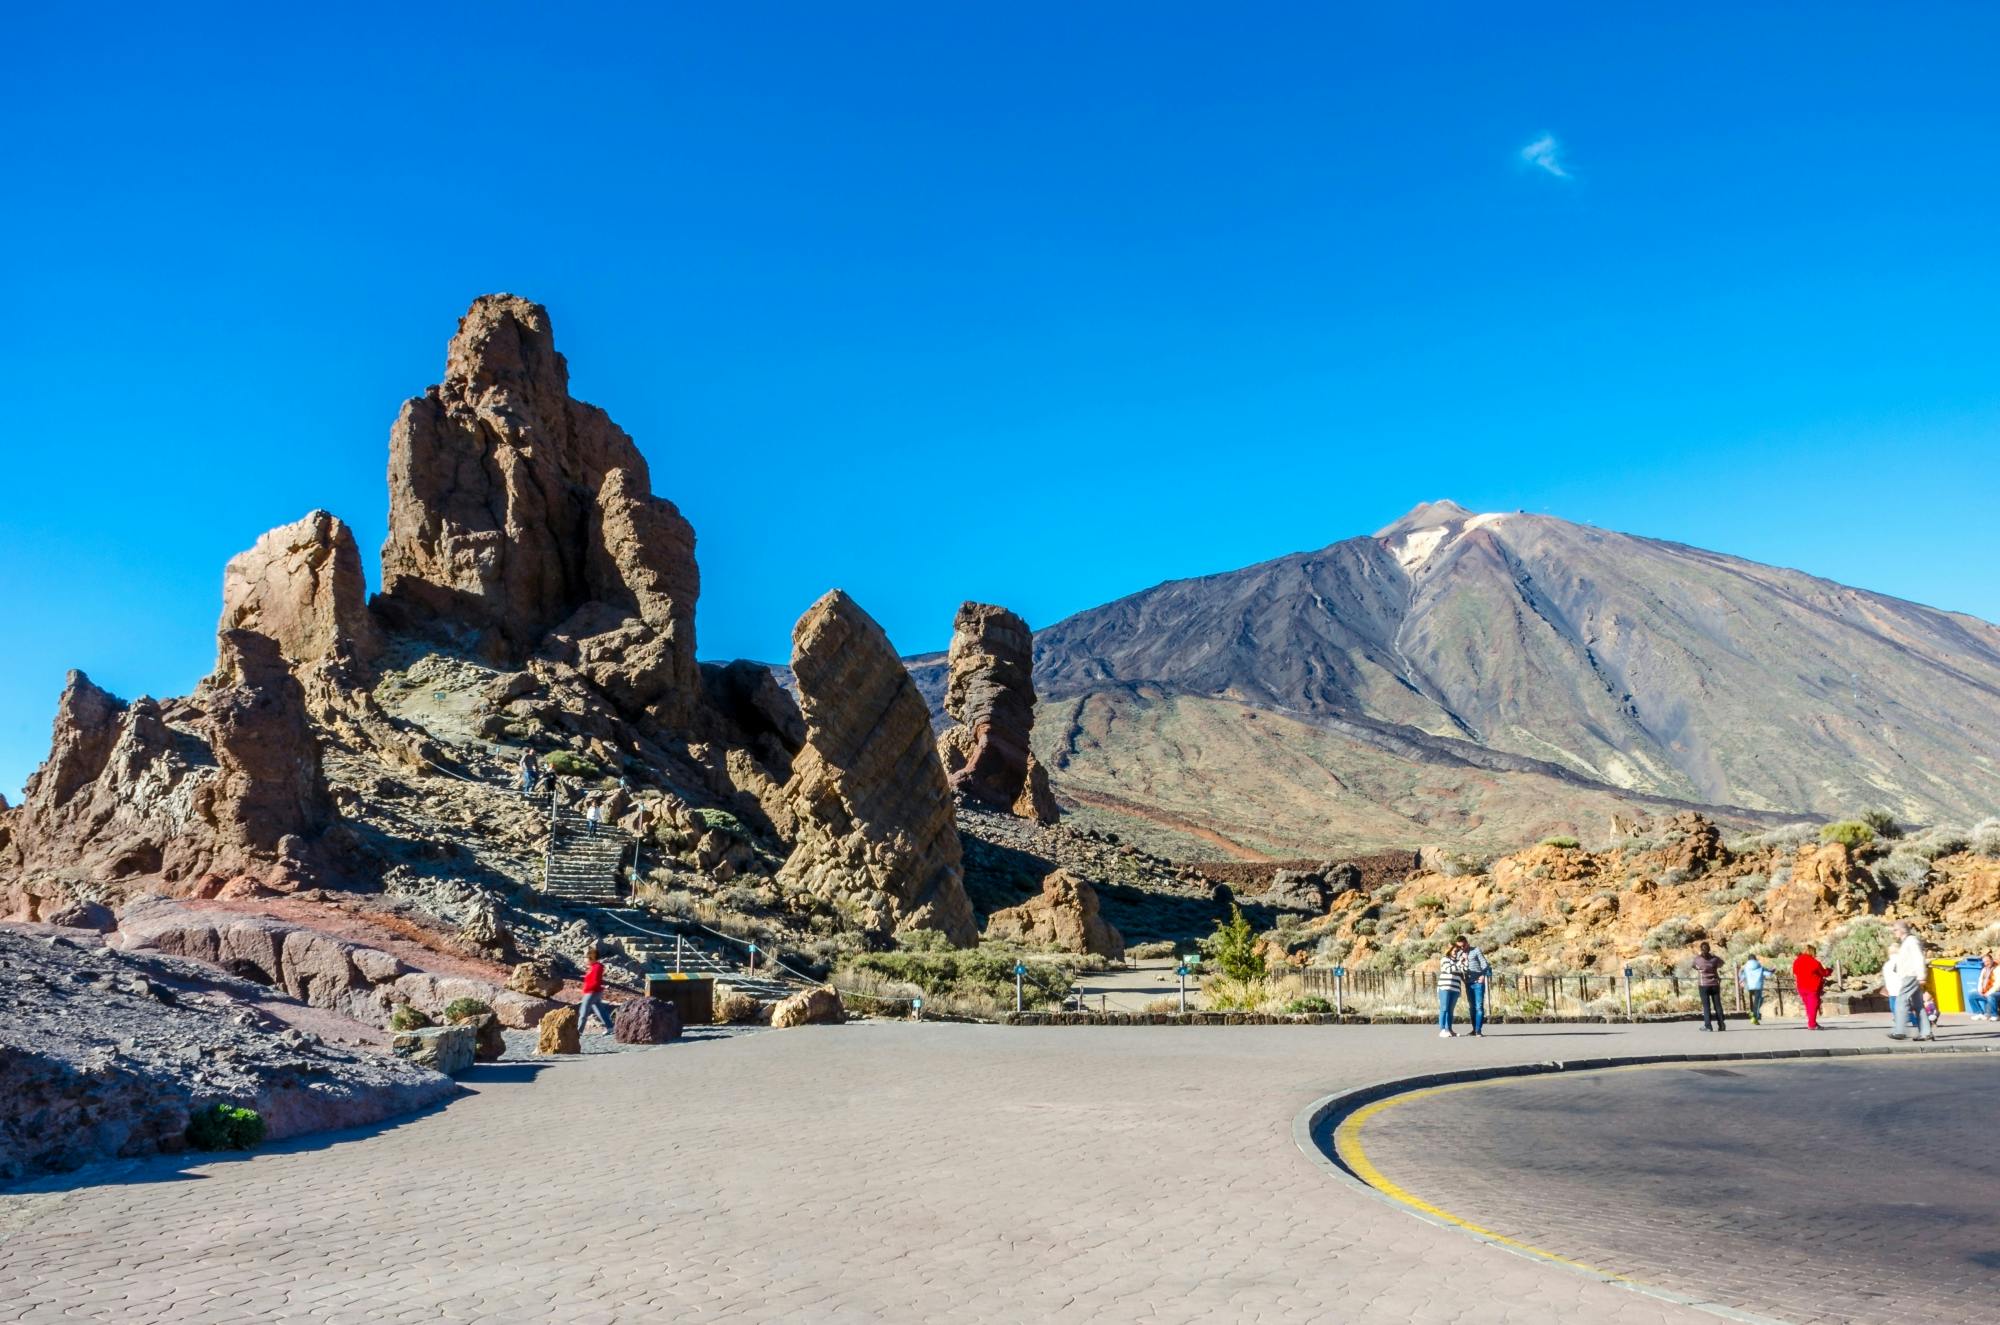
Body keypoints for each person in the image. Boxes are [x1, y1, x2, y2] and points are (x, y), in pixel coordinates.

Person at [1882, 921, 1925, 1041]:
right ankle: (1926, 1032)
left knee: (1900, 1002)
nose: (1894, 932)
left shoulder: (1911, 941)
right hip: (1909, 975)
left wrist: (1921, 975)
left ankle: (1900, 1031)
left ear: (1901, 930)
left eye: (1895, 930)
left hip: (1911, 975)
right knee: (1918, 1005)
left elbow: (1919, 958)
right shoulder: (1906, 942)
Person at [576, 946, 615, 1036]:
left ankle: (578, 1031)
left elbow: (595, 981)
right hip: (595, 992)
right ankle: (610, 1027)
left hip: (591, 992)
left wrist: (588, 988)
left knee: (583, 1012)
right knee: (600, 1010)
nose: (584, 959)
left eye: (586, 958)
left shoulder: (596, 967)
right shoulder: (593, 967)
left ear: (591, 958)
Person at [1459, 937, 1492, 1037]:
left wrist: (1483, 975)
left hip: (1478, 983)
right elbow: (1458, 967)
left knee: (1479, 1006)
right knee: (1472, 1007)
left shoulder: (1476, 950)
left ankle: (1478, 1030)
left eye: (1463, 946)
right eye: (1459, 947)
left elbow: (1485, 964)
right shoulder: (1460, 954)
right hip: (1468, 983)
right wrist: (1463, 979)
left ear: (1467, 943)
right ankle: (1474, 1029)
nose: (1462, 948)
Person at [1791, 944, 1829, 1030]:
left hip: (1801, 987)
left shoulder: (1797, 961)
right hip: (1812, 987)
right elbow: (1823, 973)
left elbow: (1795, 972)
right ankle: (1812, 1024)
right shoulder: (1814, 962)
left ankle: (1813, 1023)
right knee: (1813, 1005)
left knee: (1809, 1006)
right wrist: (1829, 970)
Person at [1692, 942, 1727, 1031]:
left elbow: (1694, 966)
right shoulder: (1714, 959)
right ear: (1709, 949)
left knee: (1706, 1006)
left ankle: (1708, 1026)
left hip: (1703, 984)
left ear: (1701, 949)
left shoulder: (1698, 959)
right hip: (1715, 984)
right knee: (1718, 1005)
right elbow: (1722, 963)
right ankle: (1721, 1024)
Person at [1436, 945, 1466, 1038]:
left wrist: (1465, 961)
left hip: (1455, 988)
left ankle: (1449, 1029)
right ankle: (1442, 1030)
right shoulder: (1445, 959)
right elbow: (1449, 969)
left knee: (1450, 1010)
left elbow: (1463, 971)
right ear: (1449, 951)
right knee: (1444, 1008)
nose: (1455, 952)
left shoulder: (1458, 961)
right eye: (1454, 950)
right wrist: (1458, 963)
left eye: (1457, 951)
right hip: (1445, 987)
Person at [1738, 953, 1768, 1025]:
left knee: (1752, 1001)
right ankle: (1755, 1015)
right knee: (1758, 1000)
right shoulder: (1759, 966)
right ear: (1755, 959)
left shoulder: (1745, 967)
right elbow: (1767, 973)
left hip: (1749, 986)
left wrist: (1741, 981)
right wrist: (1773, 970)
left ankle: (1753, 1014)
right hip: (1758, 986)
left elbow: (1742, 975)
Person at [1976, 955, 1999, 1021]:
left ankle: (1995, 1015)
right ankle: (1979, 1013)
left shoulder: (1998, 969)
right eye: (1984, 962)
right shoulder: (1984, 969)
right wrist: (1980, 990)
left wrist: (1988, 993)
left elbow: (1998, 985)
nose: (1986, 963)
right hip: (1986, 990)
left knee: (1991, 996)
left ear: (1992, 960)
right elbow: (1980, 980)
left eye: (1988, 961)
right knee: (1972, 995)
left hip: (1997, 991)